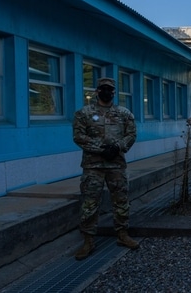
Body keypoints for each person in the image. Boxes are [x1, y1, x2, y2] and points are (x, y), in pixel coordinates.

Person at [73, 77, 139, 260]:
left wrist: (117, 147)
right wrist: (101, 149)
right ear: (97, 91)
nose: (106, 92)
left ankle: (122, 234)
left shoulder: (124, 113)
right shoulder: (84, 113)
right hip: (93, 166)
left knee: (121, 200)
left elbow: (132, 134)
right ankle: (88, 240)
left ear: (114, 93)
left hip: (116, 165)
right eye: (103, 88)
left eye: (109, 89)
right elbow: (78, 136)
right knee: (89, 204)